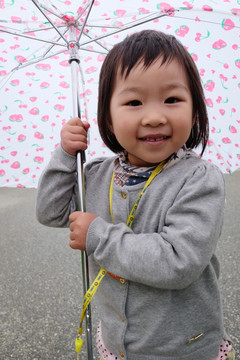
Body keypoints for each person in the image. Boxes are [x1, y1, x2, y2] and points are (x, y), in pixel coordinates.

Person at [36, 30, 235, 360]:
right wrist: (65, 156)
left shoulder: (199, 179)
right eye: (133, 102)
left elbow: (178, 261)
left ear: (195, 110)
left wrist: (97, 235)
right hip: (116, 343)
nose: (155, 116)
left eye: (172, 100)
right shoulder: (95, 175)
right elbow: (51, 212)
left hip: (181, 348)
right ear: (109, 121)